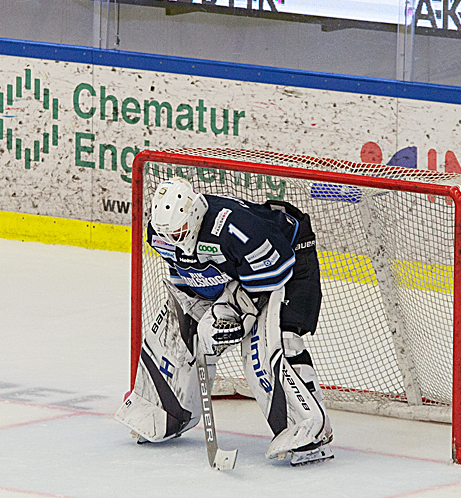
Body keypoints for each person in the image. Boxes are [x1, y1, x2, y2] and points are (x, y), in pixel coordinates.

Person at [114, 176, 333, 463]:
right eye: (168, 235)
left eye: (179, 232)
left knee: (273, 342)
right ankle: (166, 412)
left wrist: (234, 317)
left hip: (287, 260)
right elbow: (189, 278)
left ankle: (310, 433)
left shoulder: (238, 230)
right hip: (238, 272)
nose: (173, 241)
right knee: (180, 330)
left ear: (193, 215)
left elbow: (269, 283)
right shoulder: (159, 234)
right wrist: (206, 314)